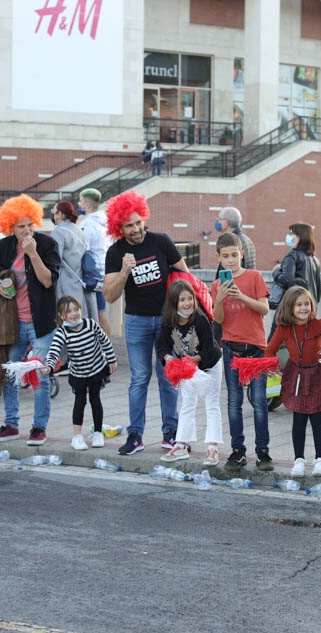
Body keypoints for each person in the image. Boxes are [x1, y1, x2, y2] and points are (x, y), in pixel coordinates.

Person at [102, 190, 187, 455]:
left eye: (139, 222)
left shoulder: (161, 241)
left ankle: (170, 433)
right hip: (136, 321)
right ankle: (135, 435)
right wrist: (126, 271)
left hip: (166, 321)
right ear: (120, 227)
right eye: (130, 225)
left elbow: (185, 276)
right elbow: (110, 295)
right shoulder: (116, 253)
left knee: (167, 378)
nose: (137, 229)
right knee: (139, 378)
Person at [0, 194, 60, 446]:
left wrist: (32, 254)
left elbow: (48, 281)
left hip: (41, 323)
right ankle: (11, 424)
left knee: (40, 375)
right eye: (20, 226)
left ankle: (39, 427)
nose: (26, 230)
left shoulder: (46, 245)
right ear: (9, 227)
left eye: (29, 225)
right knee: (10, 373)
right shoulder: (4, 247)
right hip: (13, 322)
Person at [211, 231, 274, 472]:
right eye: (225, 256)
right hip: (231, 348)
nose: (230, 260)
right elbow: (218, 319)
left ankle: (263, 451)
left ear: (242, 254)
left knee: (259, 402)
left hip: (255, 347)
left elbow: (264, 308)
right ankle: (238, 451)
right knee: (234, 402)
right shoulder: (217, 284)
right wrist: (220, 299)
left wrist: (242, 296)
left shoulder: (254, 276)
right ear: (218, 257)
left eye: (234, 255)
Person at [266, 286, 321, 477]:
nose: (304, 308)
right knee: (298, 420)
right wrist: (271, 367)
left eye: (307, 304)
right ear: (289, 308)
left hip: (318, 375)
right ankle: (299, 460)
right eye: (299, 305)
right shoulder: (284, 328)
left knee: (317, 419)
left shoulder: (318, 324)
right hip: (296, 376)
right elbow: (270, 350)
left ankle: (320, 460)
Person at [157, 280, 223, 465]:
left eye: (190, 299)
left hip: (209, 364)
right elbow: (161, 346)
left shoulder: (200, 319)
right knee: (187, 403)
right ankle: (181, 445)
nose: (187, 303)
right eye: (182, 300)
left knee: (212, 403)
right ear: (173, 303)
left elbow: (210, 348)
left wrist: (197, 359)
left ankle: (212, 448)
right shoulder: (168, 322)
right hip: (186, 367)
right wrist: (168, 358)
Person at [42, 295, 117, 450]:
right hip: (78, 373)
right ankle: (77, 436)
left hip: (96, 369)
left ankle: (98, 432)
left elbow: (104, 341)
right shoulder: (62, 332)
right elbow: (53, 351)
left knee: (95, 400)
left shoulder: (90, 324)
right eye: (69, 311)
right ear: (61, 316)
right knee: (80, 402)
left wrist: (111, 360)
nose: (74, 313)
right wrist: (48, 366)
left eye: (76, 309)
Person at [50, 200, 98, 323]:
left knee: (68, 323)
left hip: (66, 285)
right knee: (83, 323)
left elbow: (54, 261)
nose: (53, 215)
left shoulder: (58, 232)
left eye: (54, 212)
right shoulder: (79, 231)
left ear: (60, 214)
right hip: (82, 282)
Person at [77, 188, 113, 338]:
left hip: (91, 274)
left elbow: (80, 247)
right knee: (101, 310)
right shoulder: (105, 223)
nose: (78, 204)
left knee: (98, 312)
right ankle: (107, 347)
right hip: (103, 272)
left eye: (80, 201)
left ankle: (106, 348)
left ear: (86, 204)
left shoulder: (88, 224)